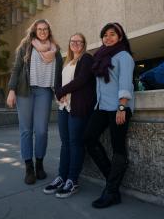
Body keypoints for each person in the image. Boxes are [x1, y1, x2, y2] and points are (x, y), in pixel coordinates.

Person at [84, 22, 135, 209]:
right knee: (88, 138)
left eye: (112, 34)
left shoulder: (123, 56)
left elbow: (125, 82)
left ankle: (111, 192)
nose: (108, 37)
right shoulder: (100, 56)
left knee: (118, 148)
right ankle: (111, 183)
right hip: (101, 106)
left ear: (120, 37)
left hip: (117, 107)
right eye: (105, 35)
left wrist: (122, 107)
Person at [6, 19, 63, 185]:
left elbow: (59, 73)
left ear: (49, 31)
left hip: (44, 91)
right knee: (26, 130)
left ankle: (39, 163)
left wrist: (60, 92)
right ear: (35, 31)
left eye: (46, 29)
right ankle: (29, 167)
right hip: (25, 91)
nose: (43, 32)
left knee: (42, 131)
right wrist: (11, 90)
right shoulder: (27, 45)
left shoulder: (55, 49)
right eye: (40, 29)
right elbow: (16, 68)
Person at [43, 33, 96, 198]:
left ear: (84, 44)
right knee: (65, 143)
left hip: (78, 107)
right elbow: (58, 82)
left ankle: (73, 180)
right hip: (63, 107)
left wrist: (62, 91)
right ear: (69, 44)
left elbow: (82, 80)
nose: (76, 44)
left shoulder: (86, 59)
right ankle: (61, 176)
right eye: (73, 41)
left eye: (79, 41)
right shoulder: (67, 62)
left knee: (75, 143)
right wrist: (59, 93)